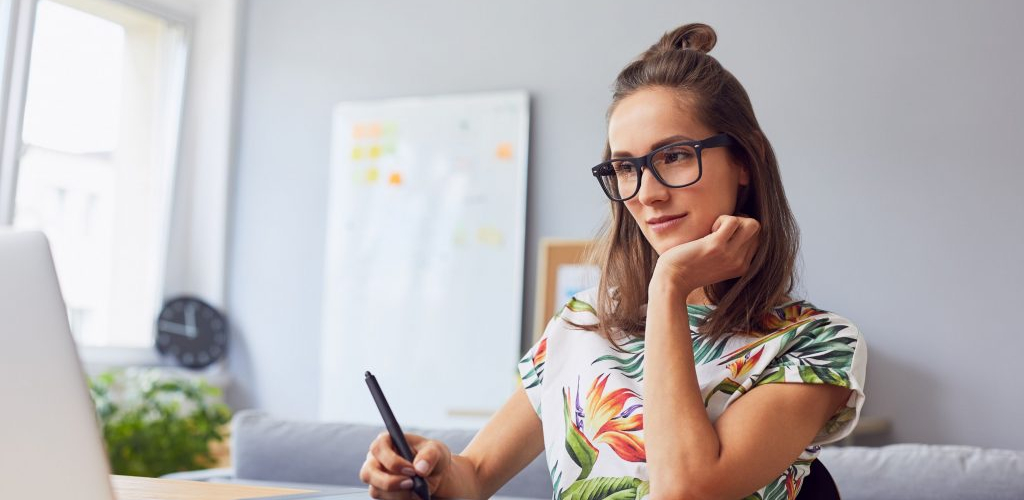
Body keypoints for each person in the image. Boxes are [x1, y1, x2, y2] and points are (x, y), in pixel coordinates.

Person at [359, 22, 867, 500]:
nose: (646, 193)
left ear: (743, 162)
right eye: (626, 167)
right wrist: (432, 468)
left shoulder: (817, 344)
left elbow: (685, 489)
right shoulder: (580, 324)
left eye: (673, 156)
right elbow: (476, 476)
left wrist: (668, 286)